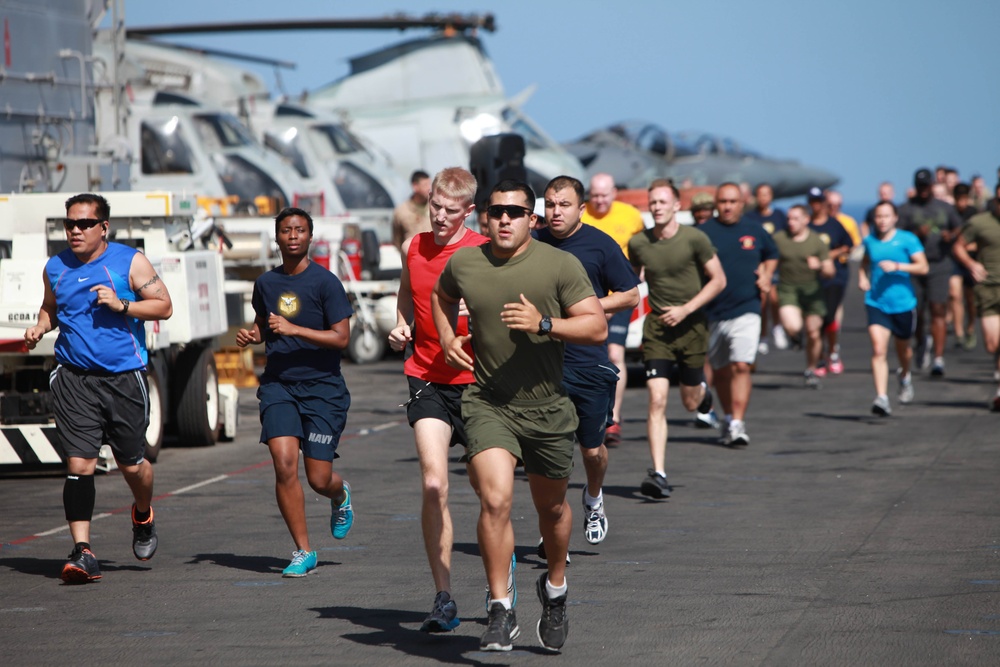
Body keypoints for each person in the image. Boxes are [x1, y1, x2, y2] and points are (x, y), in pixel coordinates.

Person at [432, 179, 606, 652]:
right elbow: (441, 295)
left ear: (533, 219)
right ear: (483, 218)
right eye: (496, 212)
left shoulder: (559, 264)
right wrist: (447, 337)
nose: (505, 219)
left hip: (548, 407)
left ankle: (554, 589)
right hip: (488, 403)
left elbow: (596, 325)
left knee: (551, 510)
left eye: (515, 212)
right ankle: (499, 607)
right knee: (495, 501)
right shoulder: (465, 262)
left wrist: (545, 324)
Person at [24, 193, 173, 583]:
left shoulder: (129, 262)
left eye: (84, 224)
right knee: (79, 464)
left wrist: (123, 305)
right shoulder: (55, 267)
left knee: (132, 466)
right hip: (73, 377)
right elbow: (51, 306)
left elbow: (163, 306)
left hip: (124, 377)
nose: (74, 230)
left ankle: (143, 513)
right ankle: (83, 551)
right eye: (69, 224)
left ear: (103, 227)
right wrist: (41, 326)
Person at [387, 167, 488, 632]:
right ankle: (443, 597)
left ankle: (498, 579)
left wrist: (479, 309)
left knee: (489, 492)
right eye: (434, 206)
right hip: (426, 374)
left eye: (450, 210)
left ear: (468, 211)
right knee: (433, 484)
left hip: (479, 382)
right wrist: (402, 325)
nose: (440, 216)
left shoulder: (484, 251)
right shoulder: (415, 246)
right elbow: (407, 296)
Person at [236, 207, 355, 578]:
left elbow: (341, 337)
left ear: (310, 236)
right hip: (279, 386)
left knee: (319, 478)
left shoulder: (326, 283)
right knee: (284, 463)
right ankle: (304, 551)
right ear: (276, 237)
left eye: (299, 230)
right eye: (285, 230)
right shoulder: (266, 283)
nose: (292, 236)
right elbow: (263, 324)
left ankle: (340, 494)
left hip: (323, 390)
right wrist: (253, 335)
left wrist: (295, 330)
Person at [536, 175, 639, 547]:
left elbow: (629, 296)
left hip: (588, 362)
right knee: (553, 450)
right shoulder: (533, 242)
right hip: (544, 363)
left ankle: (594, 497)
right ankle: (554, 524)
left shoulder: (600, 245)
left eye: (563, 205)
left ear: (581, 208)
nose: (555, 212)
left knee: (592, 451)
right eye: (549, 204)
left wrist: (587, 310)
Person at [628, 179, 726, 498]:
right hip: (657, 329)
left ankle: (702, 393)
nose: (656, 207)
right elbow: (632, 279)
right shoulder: (639, 242)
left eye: (661, 202)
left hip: (692, 327)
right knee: (657, 398)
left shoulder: (695, 238)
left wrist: (685, 309)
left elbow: (718, 280)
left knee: (689, 401)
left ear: (676, 206)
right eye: (652, 202)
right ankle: (658, 473)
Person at [700, 183, 778, 445]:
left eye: (733, 201)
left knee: (742, 365)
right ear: (716, 203)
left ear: (742, 203)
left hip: (747, 308)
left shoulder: (755, 231)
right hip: (713, 312)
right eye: (723, 201)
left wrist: (767, 274)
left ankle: (737, 423)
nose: (728, 206)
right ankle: (728, 415)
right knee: (720, 372)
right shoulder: (703, 234)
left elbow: (772, 254)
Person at [581, 172, 645, 446]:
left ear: (614, 192)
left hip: (617, 295)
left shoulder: (630, 215)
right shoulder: (581, 214)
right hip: (585, 295)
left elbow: (642, 248)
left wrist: (638, 277)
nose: (599, 200)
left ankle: (614, 419)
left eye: (604, 195)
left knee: (615, 352)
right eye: (594, 195)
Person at [858, 201, 928, 416]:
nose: (882, 220)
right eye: (878, 216)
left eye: (886, 216)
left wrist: (898, 266)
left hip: (903, 303)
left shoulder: (907, 239)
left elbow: (923, 267)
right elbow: (865, 261)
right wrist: (862, 278)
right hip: (876, 301)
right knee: (879, 349)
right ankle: (882, 397)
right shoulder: (870, 241)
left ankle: (904, 376)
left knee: (904, 350)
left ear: (895, 218)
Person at [898, 168, 964, 376]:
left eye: (926, 186)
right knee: (917, 312)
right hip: (915, 266)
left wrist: (950, 235)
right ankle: (921, 342)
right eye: (919, 187)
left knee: (938, 309)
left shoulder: (944, 207)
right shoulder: (906, 209)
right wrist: (916, 234)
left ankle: (938, 358)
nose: (923, 190)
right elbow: (897, 235)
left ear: (932, 186)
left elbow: (960, 228)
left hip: (939, 264)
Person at [773, 205, 836, 387]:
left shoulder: (816, 242)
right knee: (792, 325)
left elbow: (830, 271)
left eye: (795, 219)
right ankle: (795, 337)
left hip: (812, 291)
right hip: (788, 288)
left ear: (806, 220)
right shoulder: (780, 238)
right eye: (789, 219)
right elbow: (768, 258)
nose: (791, 223)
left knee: (814, 334)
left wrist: (821, 266)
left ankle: (811, 368)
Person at [952, 182, 1000, 411]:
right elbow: (958, 246)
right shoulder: (980, 223)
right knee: (992, 344)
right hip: (988, 288)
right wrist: (971, 264)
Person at [807, 187, 854, 377]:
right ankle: (817, 357)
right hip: (812, 279)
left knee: (830, 318)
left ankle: (832, 351)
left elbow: (848, 245)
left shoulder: (835, 225)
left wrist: (827, 256)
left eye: (819, 201)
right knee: (814, 321)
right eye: (812, 201)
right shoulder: (807, 225)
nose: (816, 205)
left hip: (835, 278)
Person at [741, 183, 789, 352]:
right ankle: (762, 335)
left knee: (774, 298)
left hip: (774, 261)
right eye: (760, 194)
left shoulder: (779, 216)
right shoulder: (751, 217)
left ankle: (777, 327)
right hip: (757, 263)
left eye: (766, 194)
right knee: (762, 300)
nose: (763, 198)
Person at [950, 183, 980, 351]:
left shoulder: (974, 214)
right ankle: (959, 332)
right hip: (953, 259)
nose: (961, 203)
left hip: (971, 259)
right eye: (958, 199)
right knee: (954, 294)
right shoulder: (950, 212)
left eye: (964, 199)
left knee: (970, 299)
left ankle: (970, 327)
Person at [391, 170, 432, 251]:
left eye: (430, 184)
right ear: (415, 186)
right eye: (425, 185)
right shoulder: (401, 211)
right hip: (412, 257)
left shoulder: (436, 208)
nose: (429, 188)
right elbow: (397, 239)